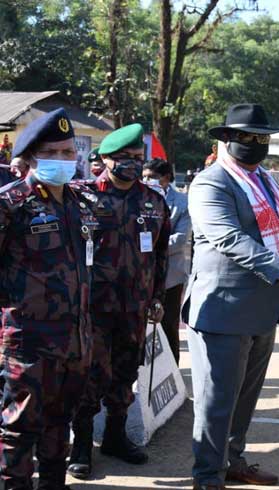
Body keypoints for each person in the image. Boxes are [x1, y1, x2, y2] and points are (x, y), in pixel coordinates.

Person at [183, 103, 279, 490]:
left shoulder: (265, 180)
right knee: (216, 402)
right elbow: (230, 239)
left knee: (245, 399)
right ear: (227, 139)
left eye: (262, 138)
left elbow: (276, 229)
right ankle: (207, 476)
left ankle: (233, 461)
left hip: (264, 308)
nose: (255, 144)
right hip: (223, 309)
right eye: (246, 137)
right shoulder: (211, 182)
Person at [67, 123, 171, 479]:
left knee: (126, 375)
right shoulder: (79, 196)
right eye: (123, 158)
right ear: (105, 160)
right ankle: (81, 444)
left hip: (134, 308)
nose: (131, 164)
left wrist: (157, 296)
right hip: (92, 308)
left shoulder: (154, 201)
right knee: (89, 376)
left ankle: (115, 436)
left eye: (137, 158)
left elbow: (160, 256)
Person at [0, 108, 96, 489]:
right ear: (30, 158)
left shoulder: (79, 203)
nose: (62, 160)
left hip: (75, 341)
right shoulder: (11, 204)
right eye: (51, 153)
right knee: (18, 431)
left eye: (68, 153)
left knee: (60, 428)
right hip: (29, 343)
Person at [143, 158, 192, 364]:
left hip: (170, 275)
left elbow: (180, 239)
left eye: (152, 177)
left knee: (168, 324)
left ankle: (173, 374)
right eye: (144, 176)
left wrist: (146, 247)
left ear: (166, 178)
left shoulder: (182, 203)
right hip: (140, 273)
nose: (147, 181)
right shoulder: (137, 198)